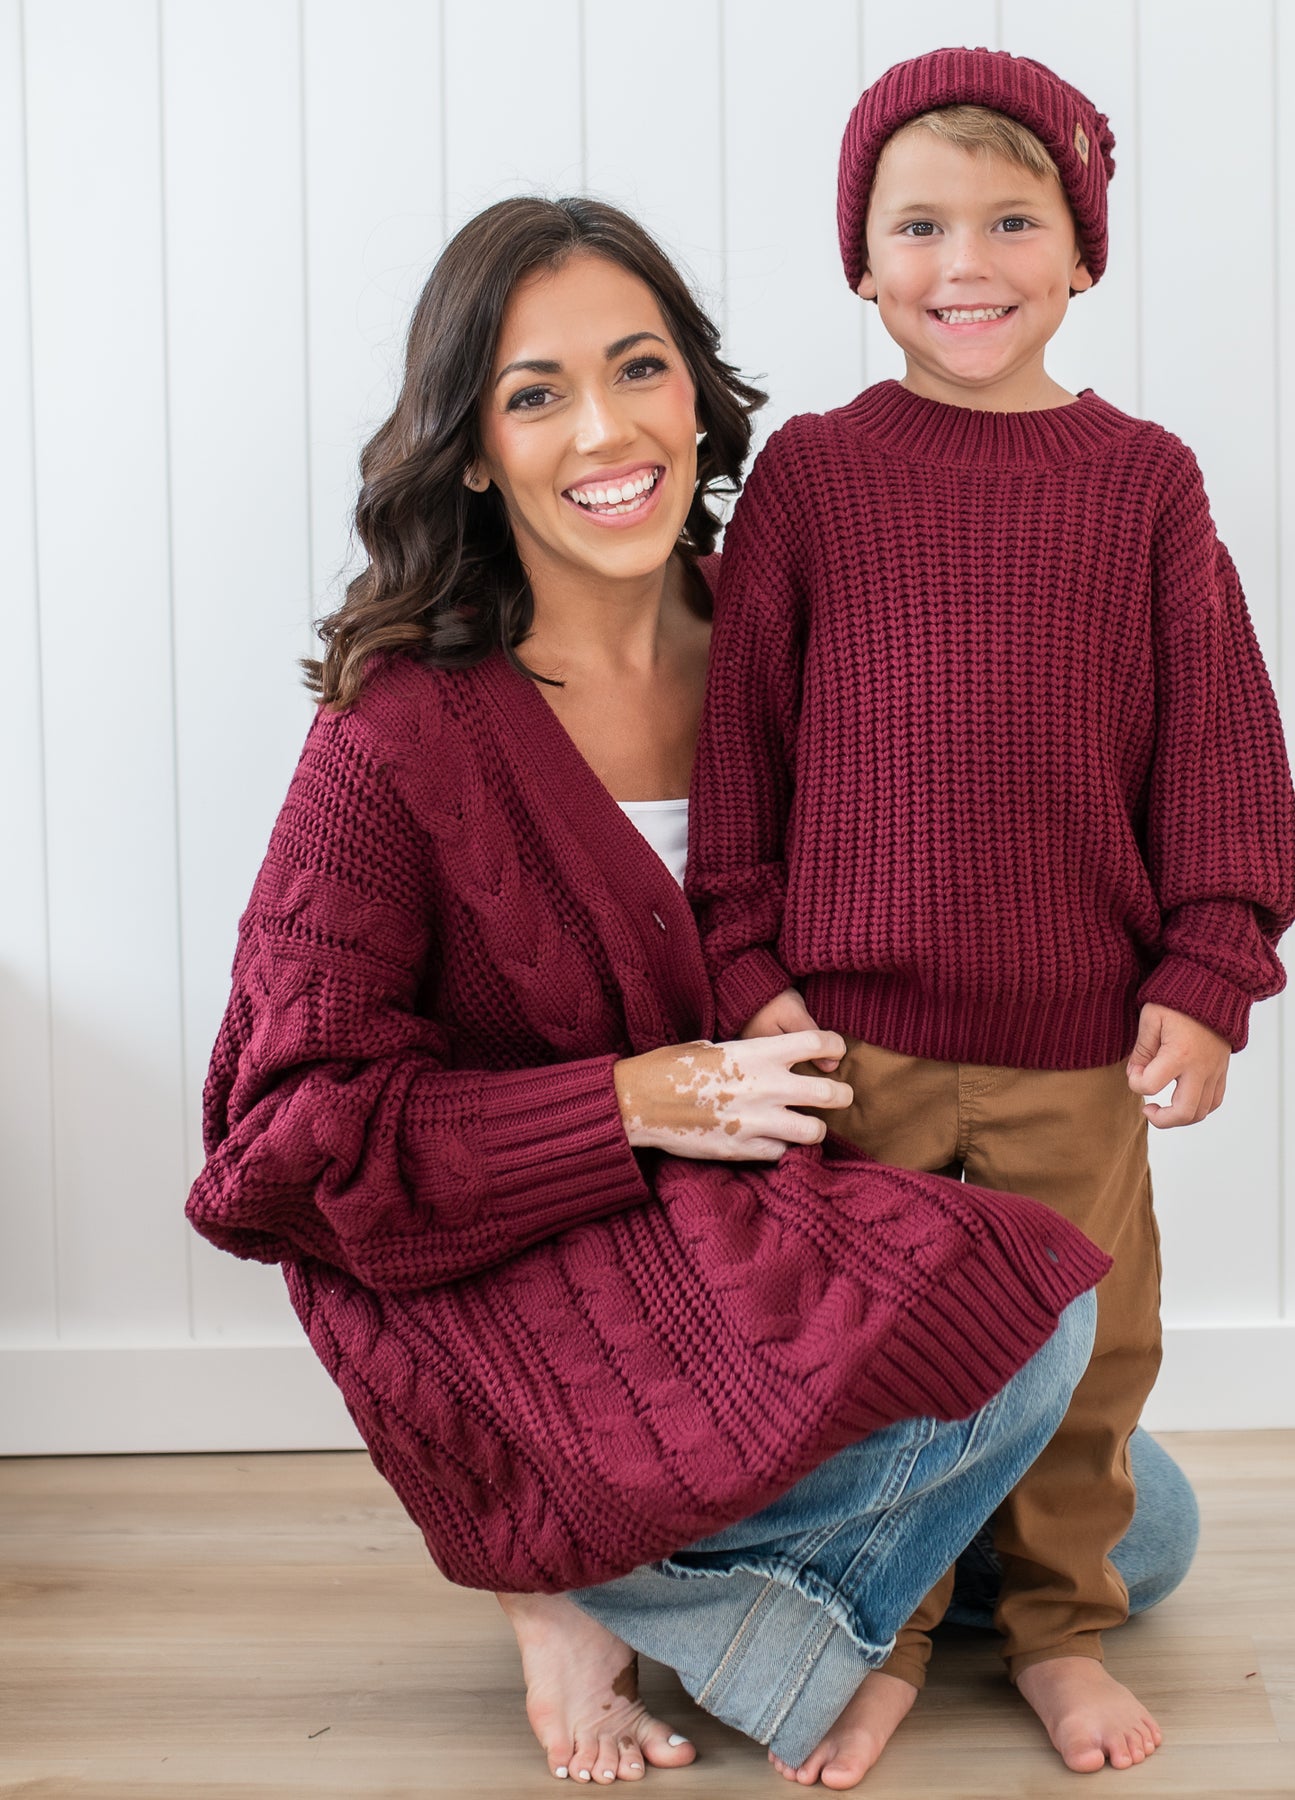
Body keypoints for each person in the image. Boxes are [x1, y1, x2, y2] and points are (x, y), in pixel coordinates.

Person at [182, 194, 1120, 1791]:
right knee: (1041, 1336)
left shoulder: (805, 623)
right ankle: (571, 1589)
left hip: (773, 1247)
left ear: (698, 391)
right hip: (536, 1284)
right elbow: (276, 1140)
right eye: (536, 394)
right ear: (471, 448)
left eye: (640, 369)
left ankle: (632, 1579)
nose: (604, 430)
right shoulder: (400, 734)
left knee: (1138, 1525)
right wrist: (637, 1099)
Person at [687, 48, 1295, 1778]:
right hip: (849, 1041)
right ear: (862, 262)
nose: (969, 259)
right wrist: (747, 966)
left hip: (1070, 1042)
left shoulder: (1143, 483)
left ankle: (1055, 1634)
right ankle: (870, 1633)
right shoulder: (811, 477)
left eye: (1014, 218)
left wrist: (1209, 966)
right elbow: (746, 756)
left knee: (1083, 1360)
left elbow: (1220, 745)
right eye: (923, 223)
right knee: (881, 1364)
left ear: (1084, 252)